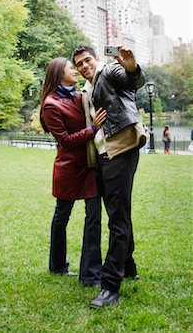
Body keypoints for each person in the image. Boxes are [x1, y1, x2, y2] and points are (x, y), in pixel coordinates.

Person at [72, 45, 146, 308]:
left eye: (87, 60)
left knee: (117, 218)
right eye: (79, 64)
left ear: (97, 59)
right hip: (104, 156)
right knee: (119, 212)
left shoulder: (109, 70)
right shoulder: (88, 87)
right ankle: (128, 265)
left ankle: (110, 286)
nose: (83, 66)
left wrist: (132, 67)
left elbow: (132, 83)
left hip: (121, 150)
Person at [40, 57, 107, 286]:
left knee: (94, 215)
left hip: (88, 166)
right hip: (68, 168)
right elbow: (66, 141)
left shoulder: (79, 96)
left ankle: (90, 274)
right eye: (72, 67)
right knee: (61, 217)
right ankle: (57, 265)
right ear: (59, 74)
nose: (76, 70)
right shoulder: (50, 104)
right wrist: (93, 129)